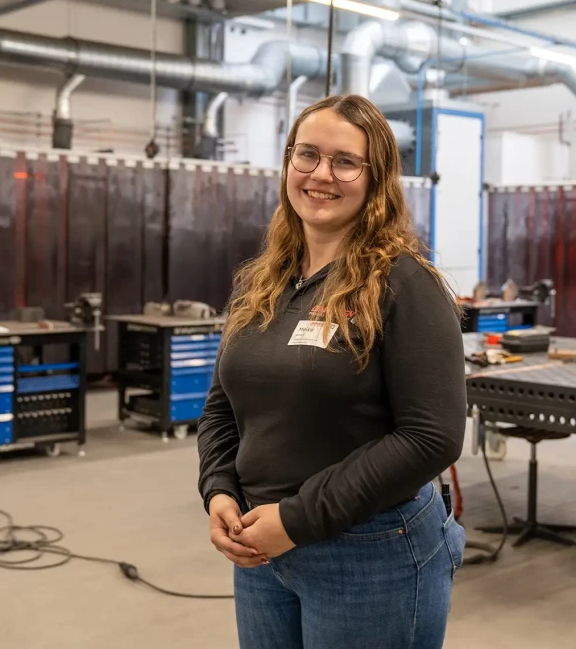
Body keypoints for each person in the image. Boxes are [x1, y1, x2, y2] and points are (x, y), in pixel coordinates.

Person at [196, 93, 467, 649]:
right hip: (260, 545)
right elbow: (223, 405)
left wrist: (296, 519)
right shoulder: (260, 283)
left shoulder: (405, 284)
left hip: (369, 551)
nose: (321, 174)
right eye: (307, 155)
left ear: (377, 179)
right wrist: (218, 489)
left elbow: (432, 436)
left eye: (345, 161)